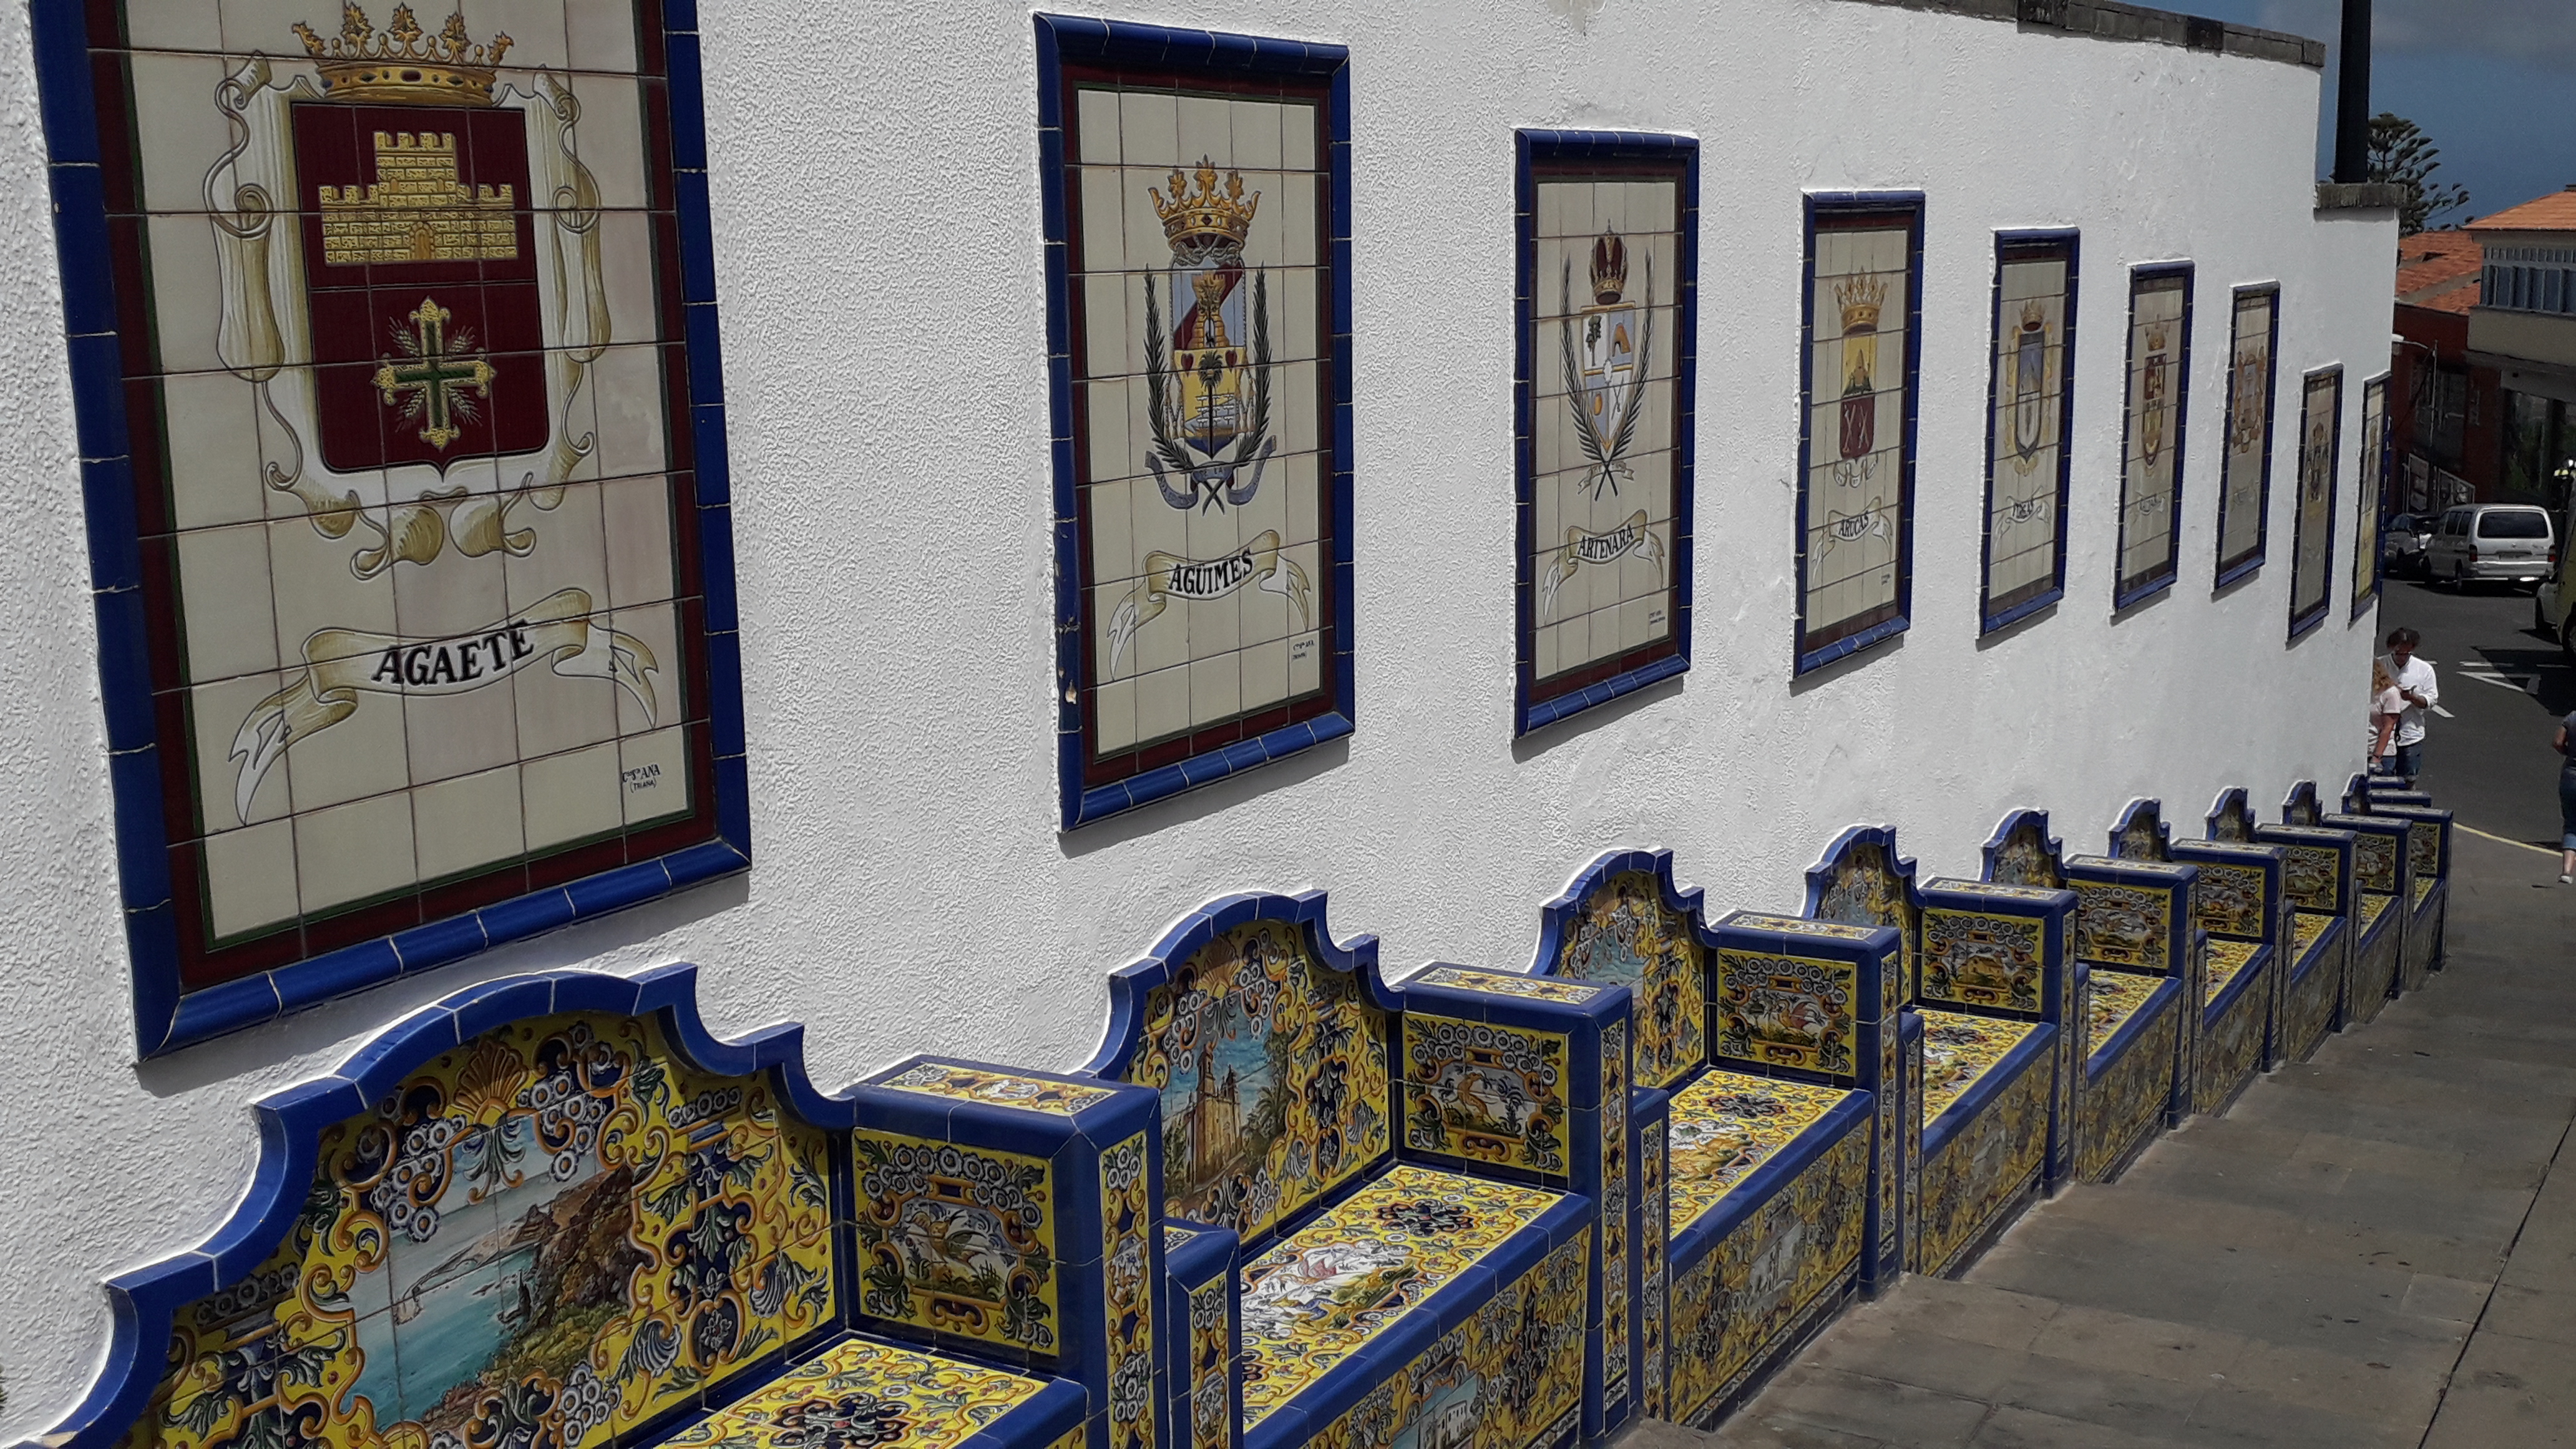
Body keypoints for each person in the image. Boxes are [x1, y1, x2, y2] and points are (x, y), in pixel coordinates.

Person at [2379, 628, 2439, 784]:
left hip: (2410, 734)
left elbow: (2431, 700)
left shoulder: (2424, 669)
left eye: (2406, 653)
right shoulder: (2379, 666)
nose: (2401, 657)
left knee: (2408, 780)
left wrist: (2412, 698)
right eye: (2398, 653)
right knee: (2382, 778)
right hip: (2382, 736)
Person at [2368, 660, 2404, 774]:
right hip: (2362, 752)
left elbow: (2388, 727)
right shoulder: (2365, 691)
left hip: (2381, 755)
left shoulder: (2390, 693)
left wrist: (2377, 756)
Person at [2557, 708, 2576, 886]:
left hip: (2570, 775)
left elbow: (2557, 742)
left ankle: (2567, 872)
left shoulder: (2572, 717)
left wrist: (2569, 753)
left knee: (2571, 825)